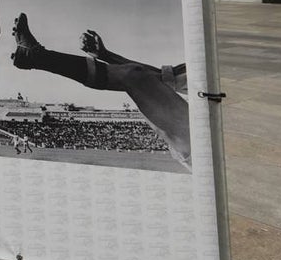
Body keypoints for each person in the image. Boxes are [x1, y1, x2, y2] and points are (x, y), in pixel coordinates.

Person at [10, 13, 190, 165]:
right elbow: (161, 77)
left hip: (209, 138)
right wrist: (105, 55)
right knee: (135, 76)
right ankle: (35, 56)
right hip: (197, 128)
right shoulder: (204, 66)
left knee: (136, 77)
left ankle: (37, 56)